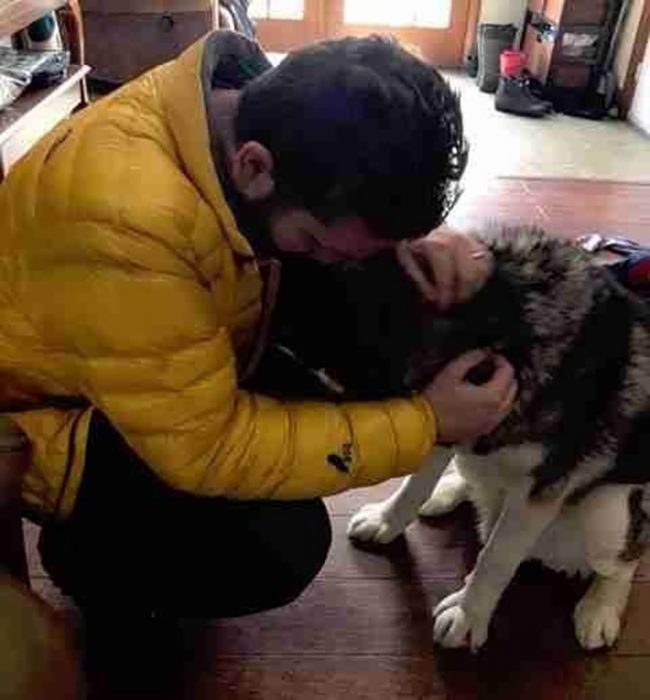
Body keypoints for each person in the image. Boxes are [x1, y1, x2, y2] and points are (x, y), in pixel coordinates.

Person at [0, 31, 516, 623]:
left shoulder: (246, 99)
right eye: (318, 243)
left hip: (166, 340)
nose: (330, 258)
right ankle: (94, 562)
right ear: (253, 165)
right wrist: (424, 424)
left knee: (385, 286)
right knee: (277, 547)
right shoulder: (127, 221)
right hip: (50, 415)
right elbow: (206, 448)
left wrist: (405, 237)